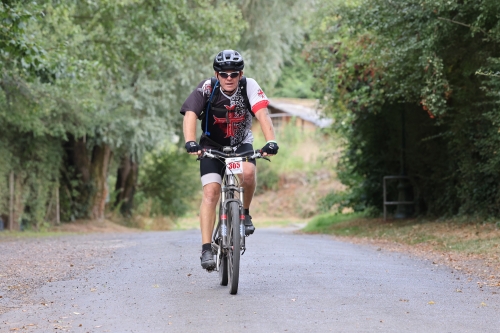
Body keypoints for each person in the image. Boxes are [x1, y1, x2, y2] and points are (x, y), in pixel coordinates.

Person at [180, 49, 279, 270]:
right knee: (211, 192)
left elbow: (262, 114)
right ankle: (206, 248)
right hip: (211, 147)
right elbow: (190, 114)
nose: (229, 78)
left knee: (249, 173)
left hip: (240, 144)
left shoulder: (249, 85)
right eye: (223, 74)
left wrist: (271, 141)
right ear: (217, 75)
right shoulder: (207, 87)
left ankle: (244, 213)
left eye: (234, 74)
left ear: (240, 74)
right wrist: (190, 142)